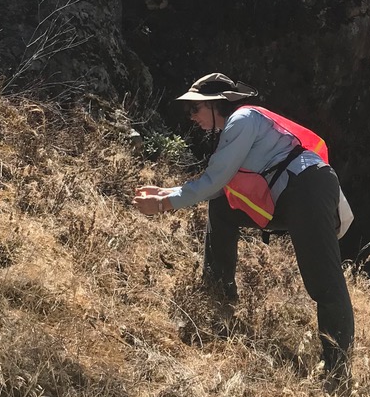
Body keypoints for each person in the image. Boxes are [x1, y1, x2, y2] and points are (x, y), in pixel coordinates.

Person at [133, 72, 354, 380]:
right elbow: (217, 188)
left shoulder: (242, 119)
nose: (191, 116)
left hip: (307, 189)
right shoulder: (237, 126)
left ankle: (337, 371)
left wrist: (162, 204)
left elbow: (215, 179)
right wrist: (166, 194)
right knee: (223, 207)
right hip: (289, 196)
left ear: (214, 104)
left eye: (195, 108)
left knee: (324, 283)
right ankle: (217, 292)